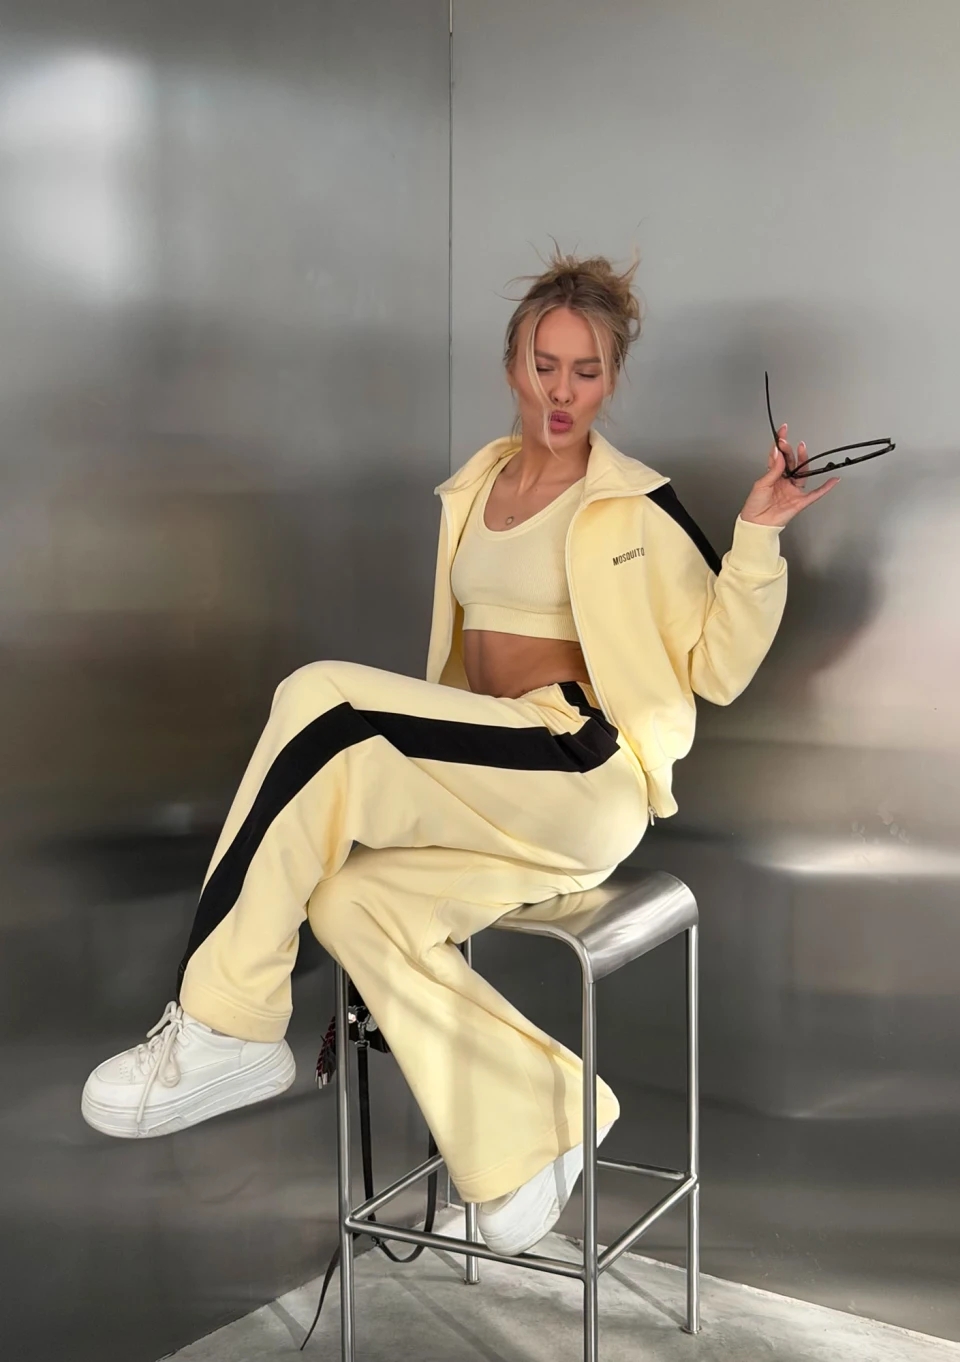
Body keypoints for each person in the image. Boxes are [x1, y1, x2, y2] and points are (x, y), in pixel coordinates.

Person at [80, 249, 838, 1257]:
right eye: (544, 364)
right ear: (512, 364)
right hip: (496, 776)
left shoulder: (636, 507)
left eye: (585, 371)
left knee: (321, 701)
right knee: (347, 902)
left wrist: (759, 534)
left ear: (610, 381)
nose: (561, 391)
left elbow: (720, 667)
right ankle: (540, 1121)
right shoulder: (475, 488)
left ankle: (223, 1023)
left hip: (580, 768)